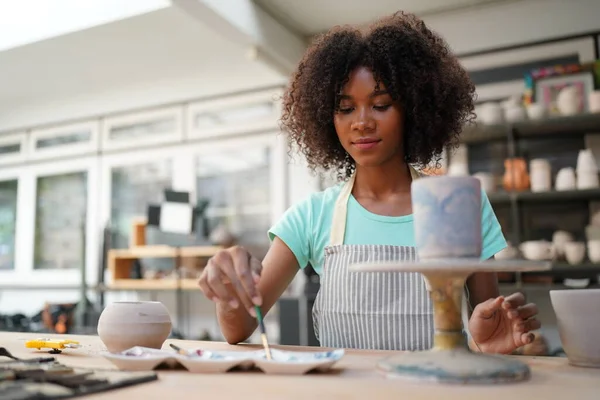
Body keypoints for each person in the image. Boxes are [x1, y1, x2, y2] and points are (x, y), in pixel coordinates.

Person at [198, 11, 540, 354]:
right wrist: (229, 290)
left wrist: (490, 345)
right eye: (345, 109)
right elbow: (239, 327)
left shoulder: (462, 205)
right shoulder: (312, 215)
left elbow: (491, 327)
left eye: (380, 104)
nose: (361, 122)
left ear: (414, 109)